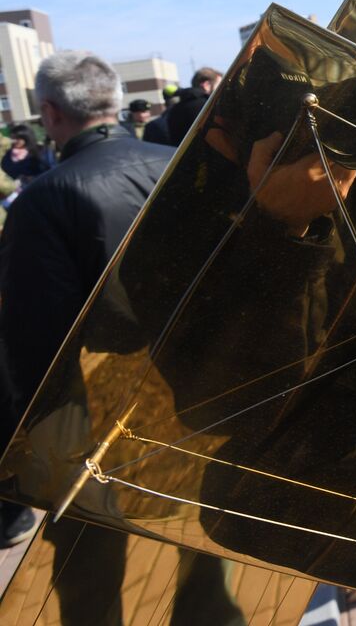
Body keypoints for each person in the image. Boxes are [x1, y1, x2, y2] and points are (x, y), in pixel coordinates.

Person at [0, 52, 174, 552]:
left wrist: (41, 445)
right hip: (192, 393)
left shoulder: (43, 200)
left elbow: (37, 344)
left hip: (106, 417)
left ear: (50, 113)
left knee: (93, 553)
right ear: (114, 101)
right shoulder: (177, 163)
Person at [161, 66, 223, 146]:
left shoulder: (175, 109)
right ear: (206, 85)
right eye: (219, 85)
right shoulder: (206, 106)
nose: (221, 89)